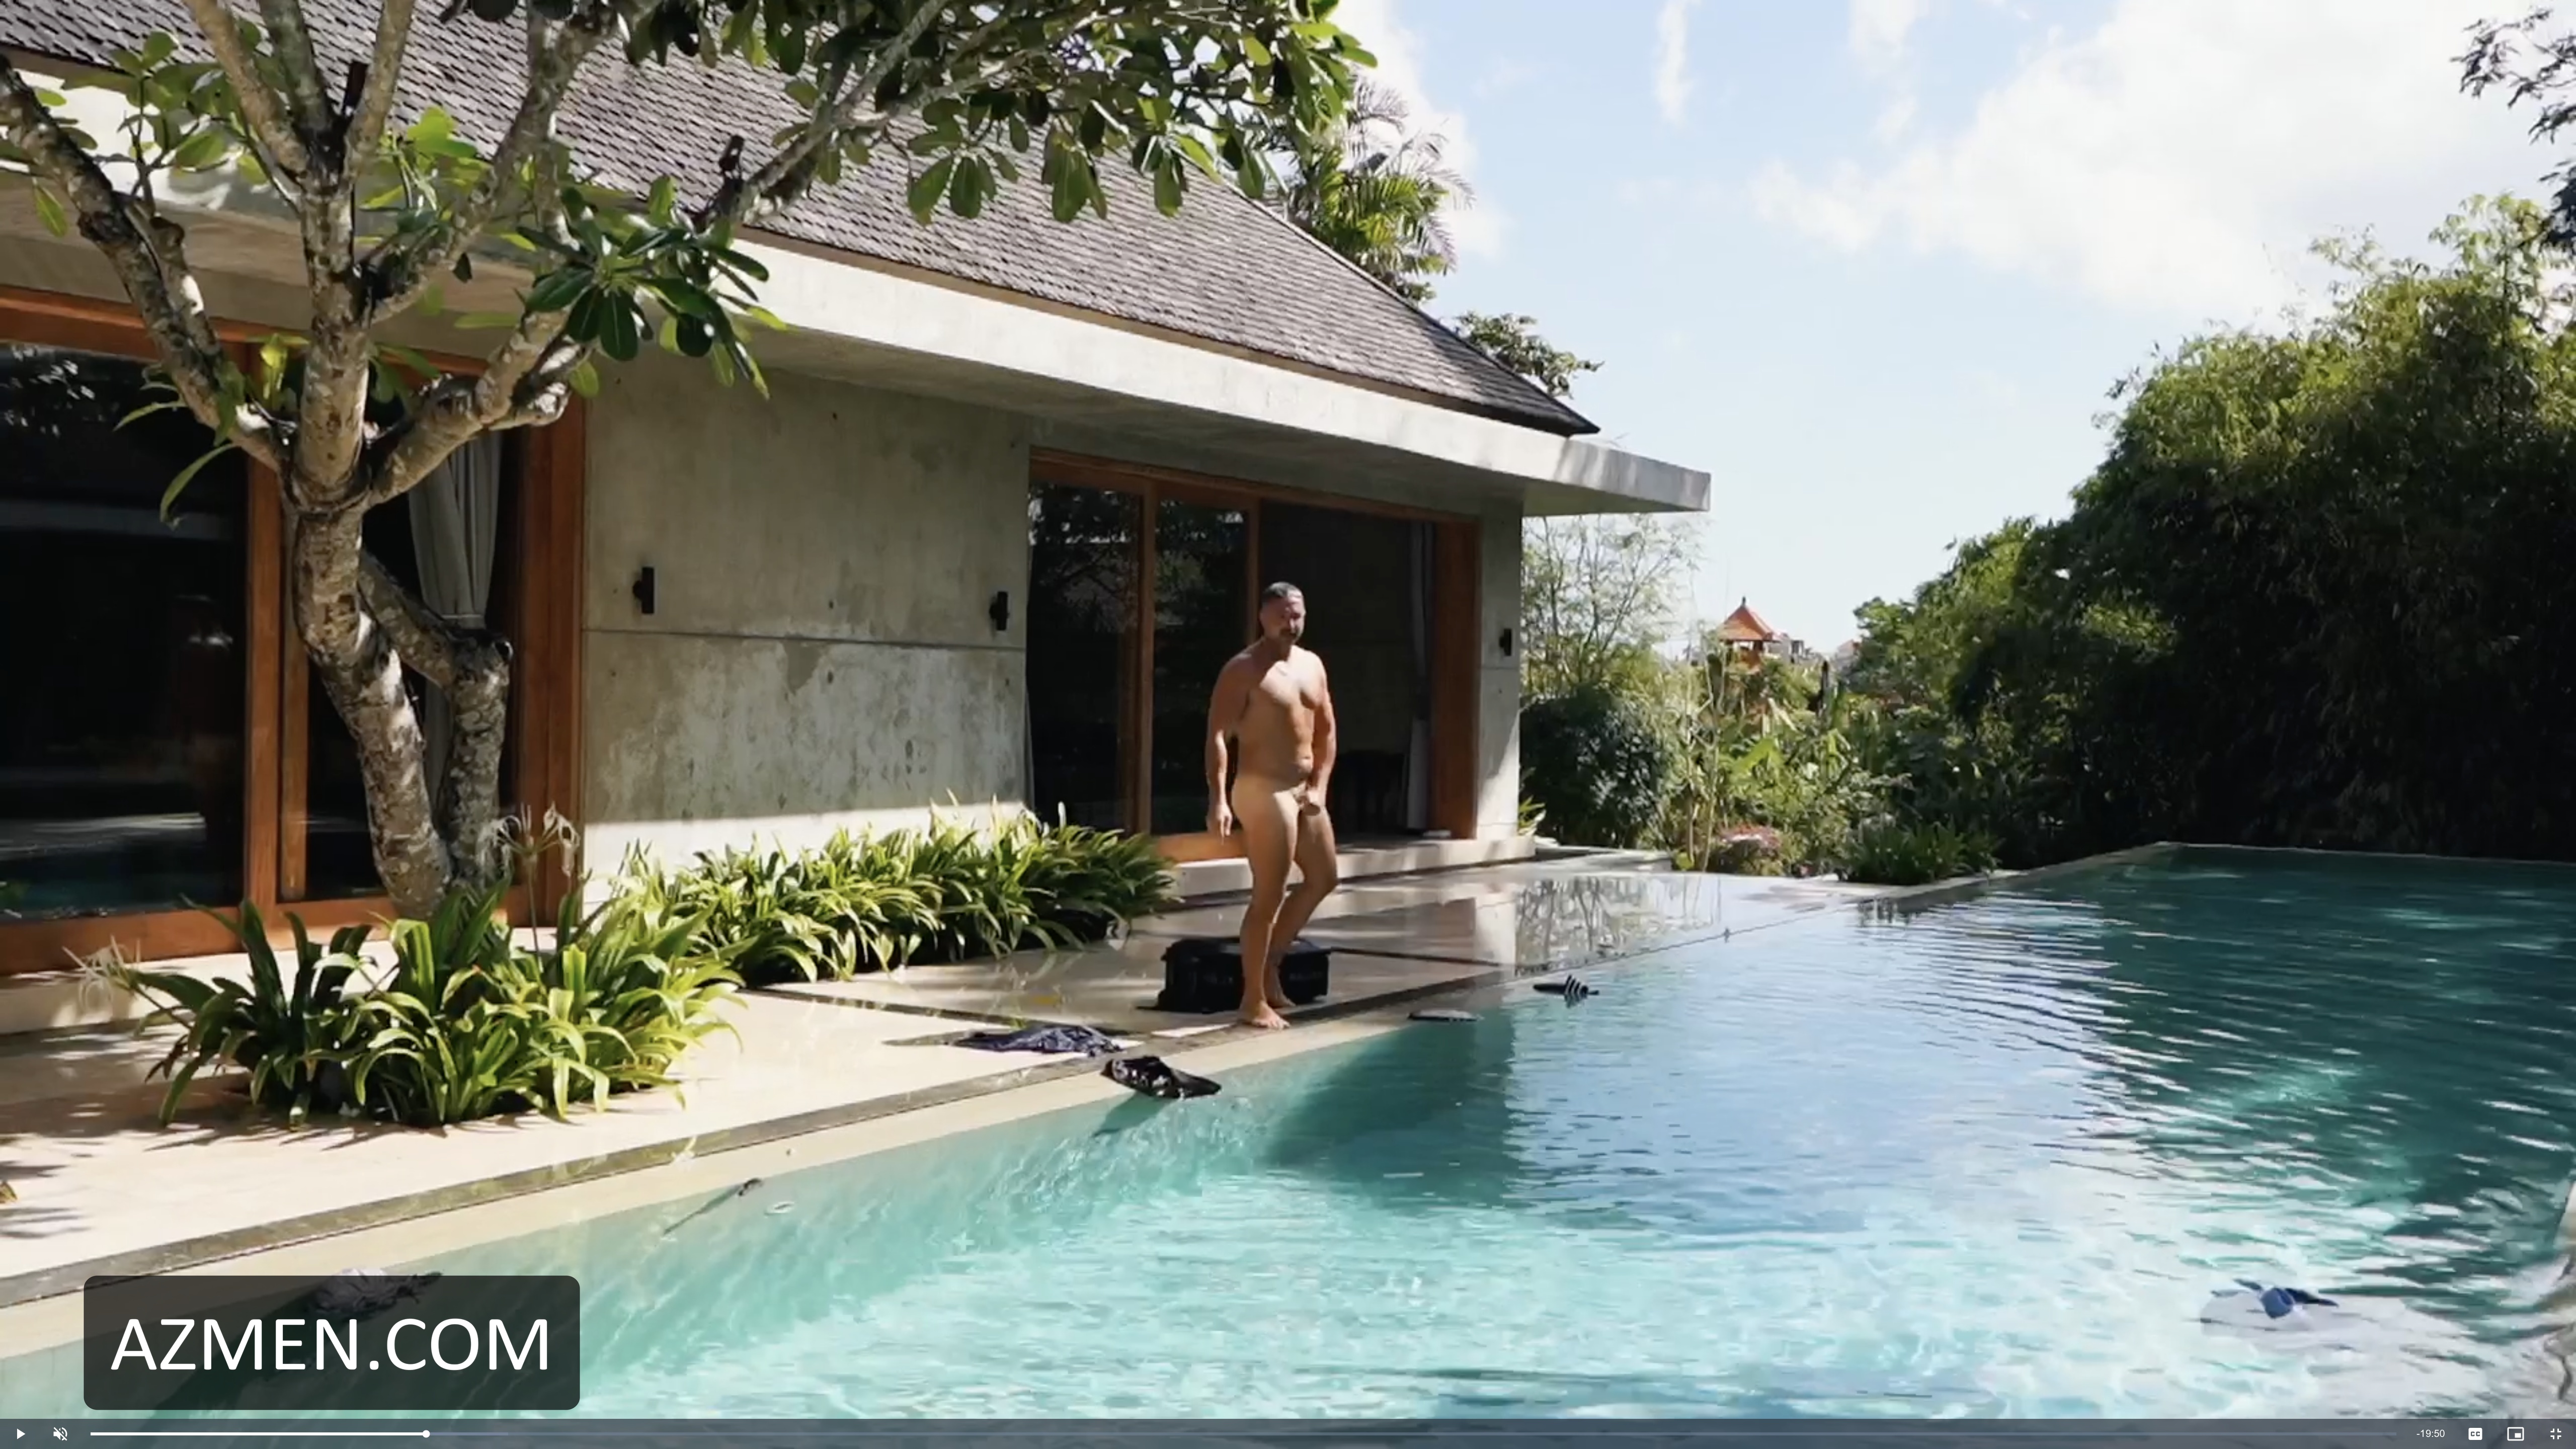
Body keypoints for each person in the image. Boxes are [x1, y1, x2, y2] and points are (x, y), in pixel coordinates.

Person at [1204, 582, 1340, 1029]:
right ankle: (1252, 1000)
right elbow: (1218, 736)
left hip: (1304, 790)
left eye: (1297, 615)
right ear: (1263, 616)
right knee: (1270, 894)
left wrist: (1319, 786)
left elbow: (1327, 731)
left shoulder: (1312, 665)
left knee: (1324, 878)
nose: (1291, 623)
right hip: (1264, 789)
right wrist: (1218, 799)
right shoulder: (1243, 669)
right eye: (1282, 615)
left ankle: (1271, 966)